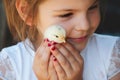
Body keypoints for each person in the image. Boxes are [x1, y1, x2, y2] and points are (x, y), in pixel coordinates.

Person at [0, 0, 120, 80]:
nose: (85, 26)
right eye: (66, 14)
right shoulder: (9, 66)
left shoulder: (112, 55)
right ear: (28, 13)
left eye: (92, 7)